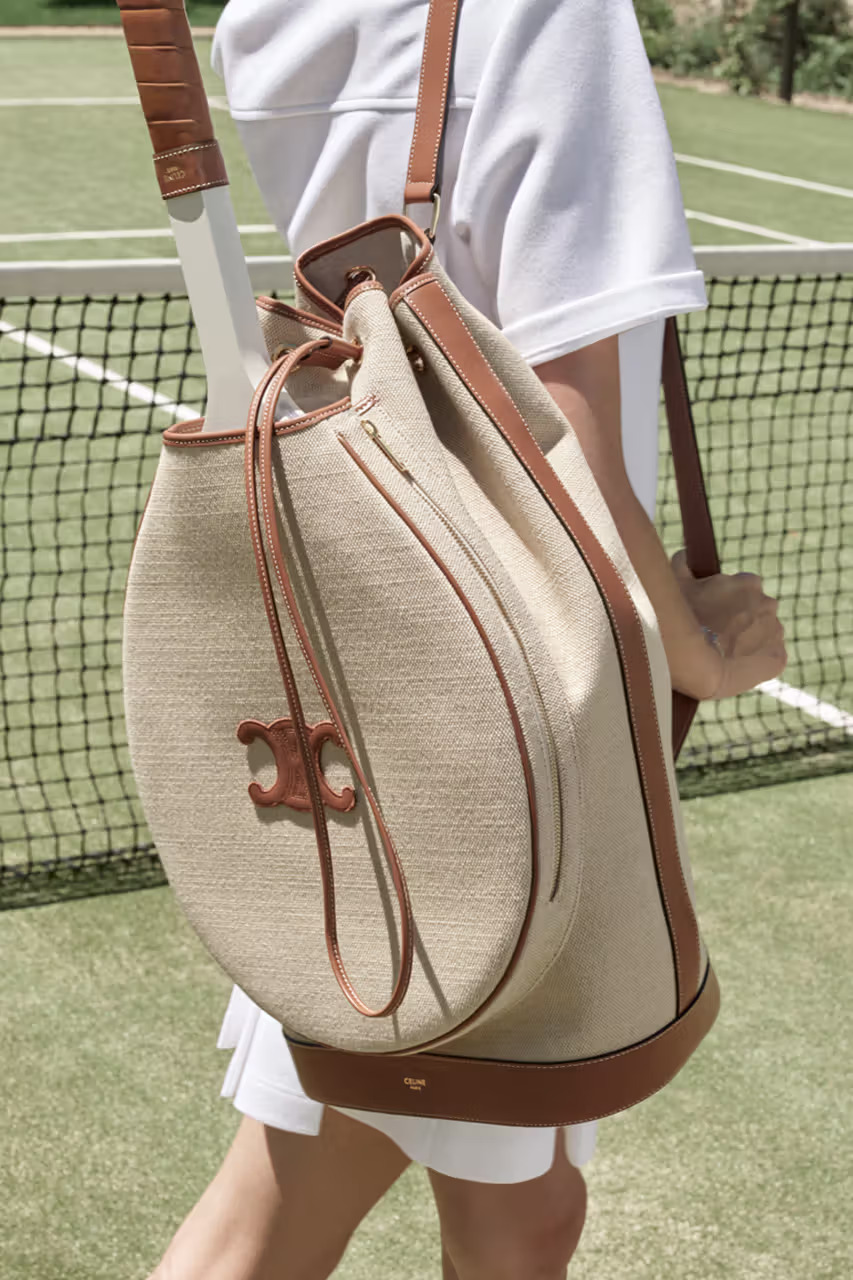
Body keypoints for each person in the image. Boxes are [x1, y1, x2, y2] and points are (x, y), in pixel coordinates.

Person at [148, 2, 786, 1277]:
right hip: (512, 702)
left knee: (335, 1199)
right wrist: (699, 651)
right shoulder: (548, 15)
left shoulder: (273, 18)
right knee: (458, 1216)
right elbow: (563, 440)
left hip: (375, 652)